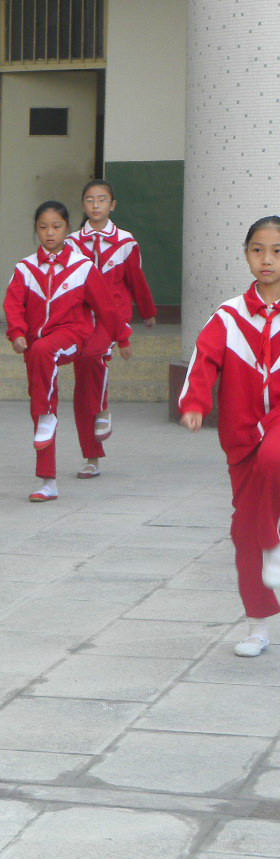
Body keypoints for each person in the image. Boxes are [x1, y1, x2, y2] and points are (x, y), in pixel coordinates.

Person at [180, 216, 280, 658]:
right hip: (240, 436)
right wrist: (195, 402)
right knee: (242, 533)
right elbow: (204, 360)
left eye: (277, 251)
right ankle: (258, 626)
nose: (267, 260)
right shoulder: (229, 315)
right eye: (258, 250)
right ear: (245, 255)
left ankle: (274, 542)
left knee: (274, 459)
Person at [3, 201, 124, 502]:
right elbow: (13, 305)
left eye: (56, 227)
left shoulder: (83, 268)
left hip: (73, 335)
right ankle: (47, 481)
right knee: (40, 384)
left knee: (81, 379)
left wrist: (122, 337)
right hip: (39, 346)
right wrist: (17, 333)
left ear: (67, 228)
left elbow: (106, 307)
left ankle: (89, 448)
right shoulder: (25, 268)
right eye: (43, 227)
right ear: (36, 229)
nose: (49, 233)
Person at [67, 179, 157, 478]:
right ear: (83, 205)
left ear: (112, 205)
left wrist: (147, 312)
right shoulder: (71, 244)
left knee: (95, 356)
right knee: (82, 385)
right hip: (81, 318)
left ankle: (103, 408)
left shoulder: (126, 242)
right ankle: (91, 457)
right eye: (90, 200)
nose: (96, 205)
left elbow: (136, 280)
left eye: (102, 199)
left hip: (111, 319)